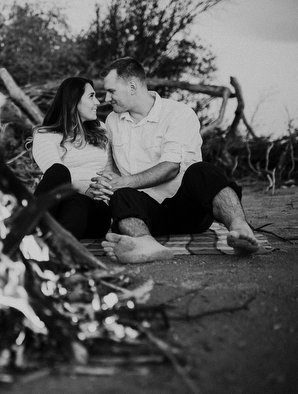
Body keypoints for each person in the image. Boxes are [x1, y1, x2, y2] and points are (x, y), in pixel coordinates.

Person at [89, 57, 261, 263]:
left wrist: (124, 181)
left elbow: (171, 168)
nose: (106, 98)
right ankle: (145, 243)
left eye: (112, 91)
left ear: (132, 86)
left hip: (188, 209)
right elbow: (113, 171)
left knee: (202, 170)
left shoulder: (178, 113)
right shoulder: (112, 121)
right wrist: (107, 183)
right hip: (146, 215)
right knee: (122, 196)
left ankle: (240, 228)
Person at [30, 76, 112, 239]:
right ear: (73, 101)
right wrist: (85, 189)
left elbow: (110, 172)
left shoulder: (101, 130)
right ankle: (48, 247)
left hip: (95, 212)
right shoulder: (45, 135)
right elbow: (55, 178)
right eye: (91, 96)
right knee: (60, 173)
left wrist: (106, 189)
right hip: (59, 208)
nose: (97, 102)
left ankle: (28, 236)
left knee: (76, 202)